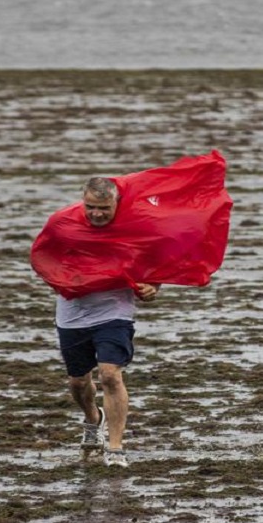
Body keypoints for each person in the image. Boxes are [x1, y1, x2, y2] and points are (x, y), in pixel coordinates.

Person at [55, 177, 158, 468]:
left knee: (110, 374)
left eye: (104, 208)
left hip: (115, 312)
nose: (96, 214)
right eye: (90, 207)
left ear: (117, 203)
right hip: (73, 314)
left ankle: (115, 448)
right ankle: (92, 417)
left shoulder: (135, 229)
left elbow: (158, 259)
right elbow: (45, 258)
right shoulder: (64, 226)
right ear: (82, 202)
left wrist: (154, 286)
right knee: (78, 381)